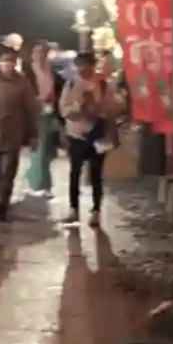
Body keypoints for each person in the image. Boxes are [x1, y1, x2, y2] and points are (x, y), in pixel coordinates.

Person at [0, 46, 39, 221]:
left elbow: (31, 110)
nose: (8, 65)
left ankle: (3, 204)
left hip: (13, 134)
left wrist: (33, 133)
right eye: (5, 61)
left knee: (8, 172)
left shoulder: (22, 83)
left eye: (11, 61)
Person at [60, 50, 116, 226]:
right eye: (81, 66)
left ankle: (96, 211)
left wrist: (99, 112)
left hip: (97, 135)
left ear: (94, 65)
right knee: (75, 172)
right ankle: (73, 209)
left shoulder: (104, 85)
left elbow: (111, 109)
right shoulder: (71, 85)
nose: (84, 69)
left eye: (88, 65)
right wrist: (79, 108)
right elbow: (64, 110)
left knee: (96, 174)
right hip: (76, 134)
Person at [23, 39, 64, 198]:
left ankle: (34, 179)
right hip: (34, 115)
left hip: (50, 114)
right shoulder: (27, 72)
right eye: (37, 52)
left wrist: (54, 99)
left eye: (44, 52)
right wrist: (38, 100)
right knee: (39, 150)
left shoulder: (52, 73)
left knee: (48, 151)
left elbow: (60, 91)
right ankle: (41, 184)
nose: (40, 55)